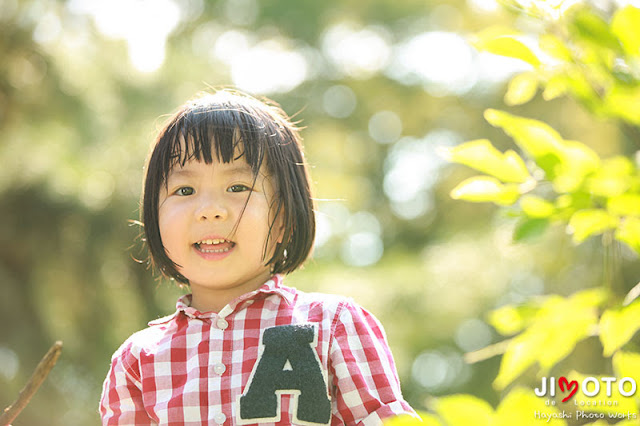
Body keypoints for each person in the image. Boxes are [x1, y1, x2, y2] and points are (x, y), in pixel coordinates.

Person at [99, 89, 418, 425]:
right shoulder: (139, 360)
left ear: (283, 218)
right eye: (185, 190)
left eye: (237, 188)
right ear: (154, 217)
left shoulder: (333, 325)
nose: (210, 211)